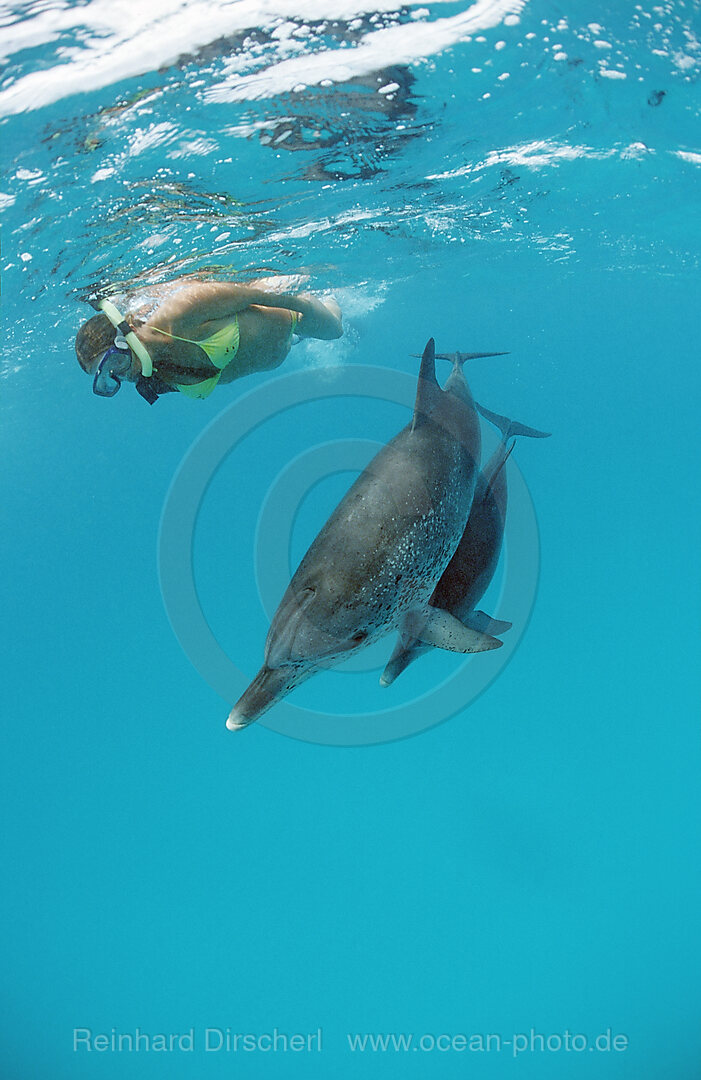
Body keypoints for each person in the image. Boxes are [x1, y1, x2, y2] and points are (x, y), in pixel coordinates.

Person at [75, 277, 343, 403]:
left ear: (126, 334)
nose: (122, 376)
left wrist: (307, 309)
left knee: (337, 331)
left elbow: (257, 295)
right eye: (109, 378)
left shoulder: (178, 313)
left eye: (115, 363)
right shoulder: (158, 376)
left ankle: (333, 298)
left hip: (294, 316)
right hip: (286, 344)